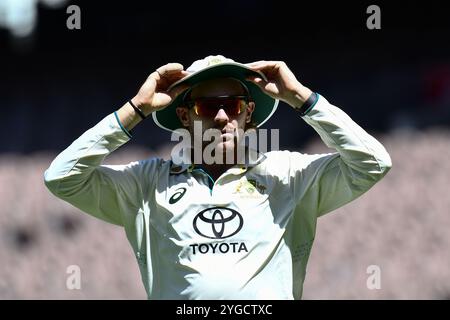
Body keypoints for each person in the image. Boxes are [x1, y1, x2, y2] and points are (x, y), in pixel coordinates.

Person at [44, 55, 392, 299]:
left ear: (249, 114)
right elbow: (61, 178)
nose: (224, 117)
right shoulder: (147, 183)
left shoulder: (288, 175)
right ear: (184, 116)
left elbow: (374, 163)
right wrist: (134, 110)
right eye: (209, 107)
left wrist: (302, 98)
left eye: (235, 105)